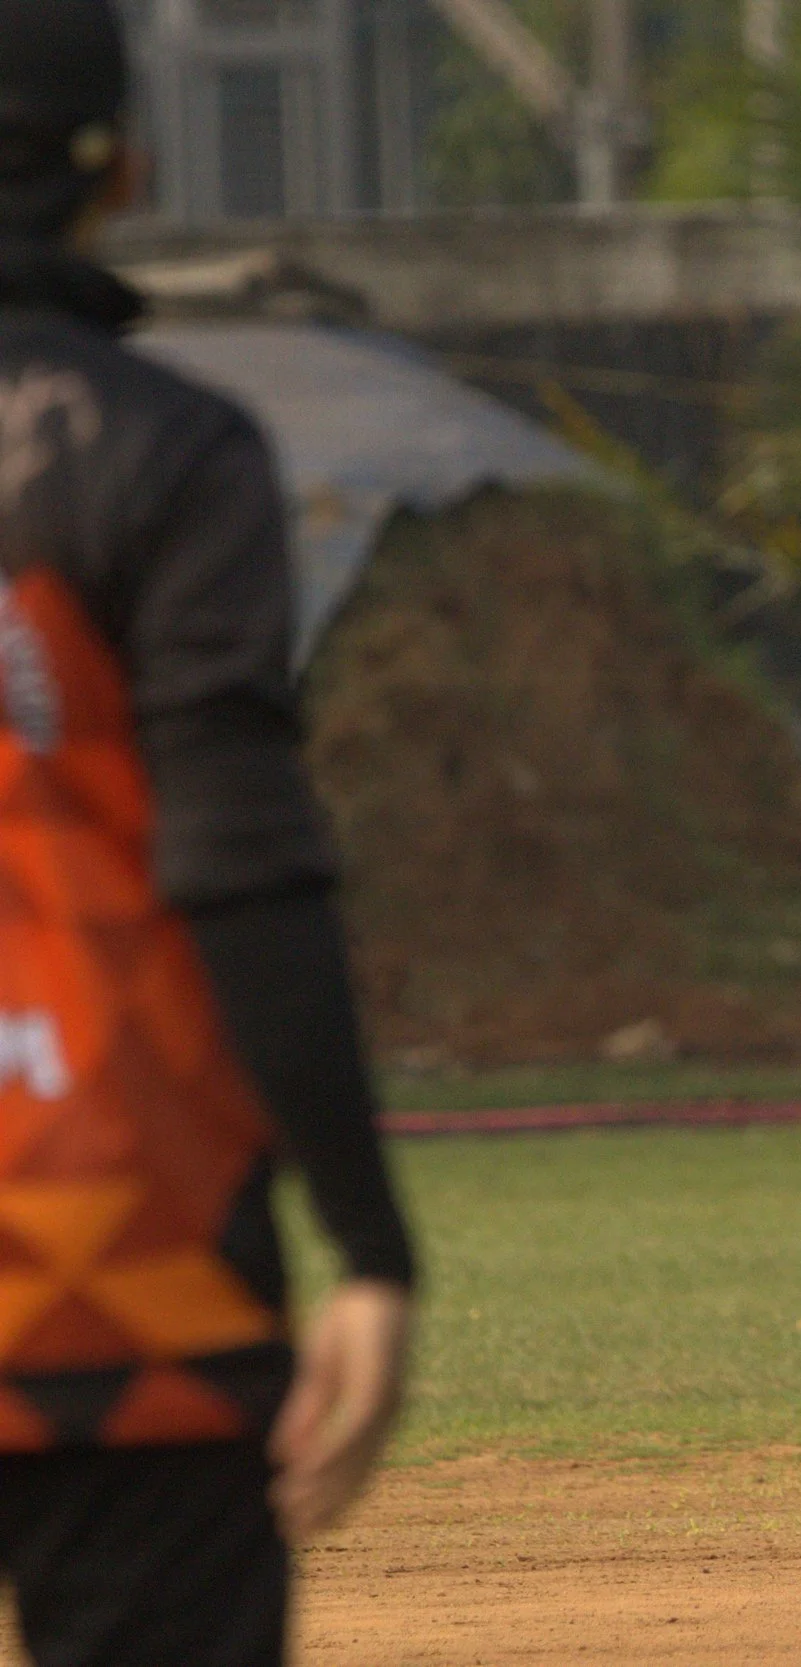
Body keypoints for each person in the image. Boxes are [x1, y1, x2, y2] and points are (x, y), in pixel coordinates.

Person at [0, 2, 417, 1659]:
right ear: (126, 175)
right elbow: (240, 863)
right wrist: (369, 1245)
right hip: (118, 1261)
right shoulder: (164, 448)